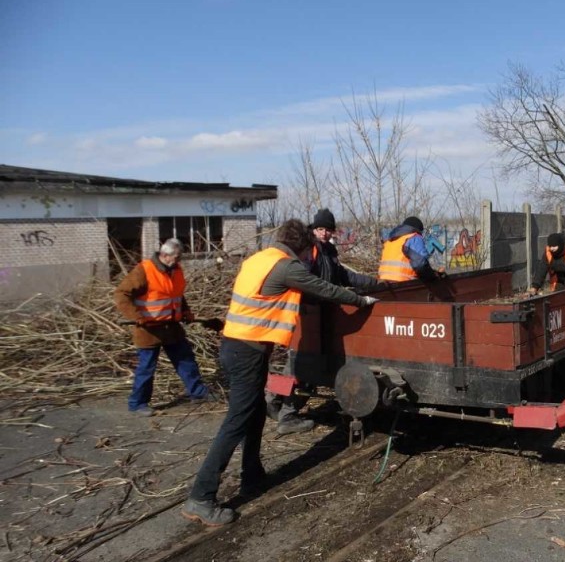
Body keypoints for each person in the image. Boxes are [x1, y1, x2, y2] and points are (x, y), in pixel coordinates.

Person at [182, 219, 378, 527]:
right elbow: (324, 289)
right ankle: (201, 496)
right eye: (309, 252)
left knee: (256, 412)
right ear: (301, 247)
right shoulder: (287, 266)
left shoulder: (259, 258)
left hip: (239, 347)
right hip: (246, 351)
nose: (309, 257)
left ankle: (252, 473)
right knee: (237, 420)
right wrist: (361, 299)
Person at [268, 207, 379, 436]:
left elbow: (342, 276)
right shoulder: (309, 252)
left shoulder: (328, 250)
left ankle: (273, 398)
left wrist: (373, 282)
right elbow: (306, 282)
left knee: (298, 368)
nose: (325, 233)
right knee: (299, 369)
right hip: (308, 315)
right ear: (314, 229)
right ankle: (282, 409)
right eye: (321, 229)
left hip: (323, 313)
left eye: (329, 230)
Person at [114, 239, 211, 416]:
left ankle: (197, 392)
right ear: (164, 255)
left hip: (171, 326)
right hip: (148, 329)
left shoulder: (175, 270)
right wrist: (136, 316)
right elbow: (122, 294)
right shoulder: (144, 270)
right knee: (147, 367)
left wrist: (186, 311)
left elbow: (176, 295)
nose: (179, 260)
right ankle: (137, 403)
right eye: (176, 257)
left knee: (185, 360)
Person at [378, 216, 443, 282]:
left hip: (385, 282)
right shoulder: (413, 237)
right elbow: (420, 264)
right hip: (404, 283)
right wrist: (432, 276)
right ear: (418, 229)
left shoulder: (390, 240)